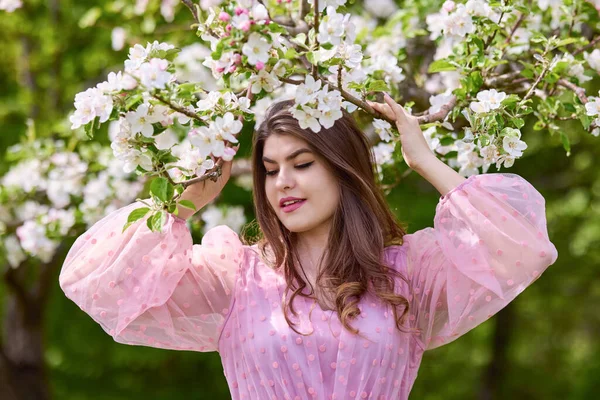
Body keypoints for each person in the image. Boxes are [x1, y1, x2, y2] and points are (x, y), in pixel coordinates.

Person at [59, 93, 558, 400]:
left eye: (301, 164)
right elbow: (95, 284)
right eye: (271, 170)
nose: (283, 184)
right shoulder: (235, 276)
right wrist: (184, 204)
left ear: (343, 169)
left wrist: (424, 159)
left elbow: (524, 247)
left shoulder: (409, 273)